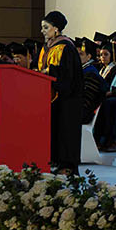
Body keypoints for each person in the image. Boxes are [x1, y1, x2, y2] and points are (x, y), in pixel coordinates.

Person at [36, 11, 84, 171]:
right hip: (51, 98)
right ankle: (54, 162)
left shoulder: (65, 47)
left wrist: (49, 72)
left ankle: (67, 166)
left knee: (66, 132)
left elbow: (67, 75)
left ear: (56, 29)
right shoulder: (47, 47)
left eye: (45, 27)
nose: (42, 31)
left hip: (67, 99)